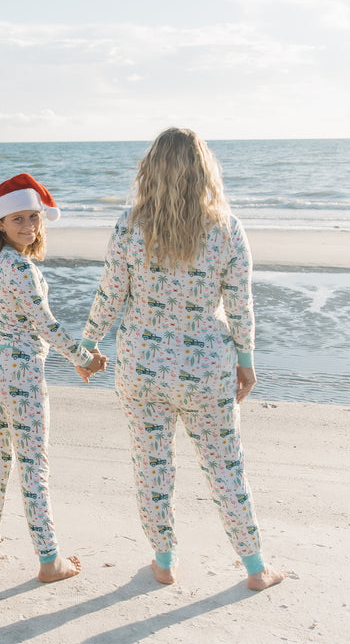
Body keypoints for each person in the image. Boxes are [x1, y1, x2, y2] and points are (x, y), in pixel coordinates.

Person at [81, 127, 285, 591]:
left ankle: (164, 561)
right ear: (204, 171)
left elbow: (110, 296)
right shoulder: (226, 227)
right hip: (205, 368)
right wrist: (246, 361)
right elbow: (240, 304)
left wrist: (87, 347)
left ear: (149, 171)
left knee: (152, 465)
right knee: (225, 467)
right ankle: (255, 568)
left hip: (141, 366)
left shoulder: (129, 225)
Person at [0, 173, 107, 583]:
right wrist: (83, 358)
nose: (29, 226)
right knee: (34, 465)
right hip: (20, 373)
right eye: (19, 220)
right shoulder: (22, 269)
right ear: (0, 223)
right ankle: (49, 560)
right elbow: (46, 325)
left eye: (34, 217)